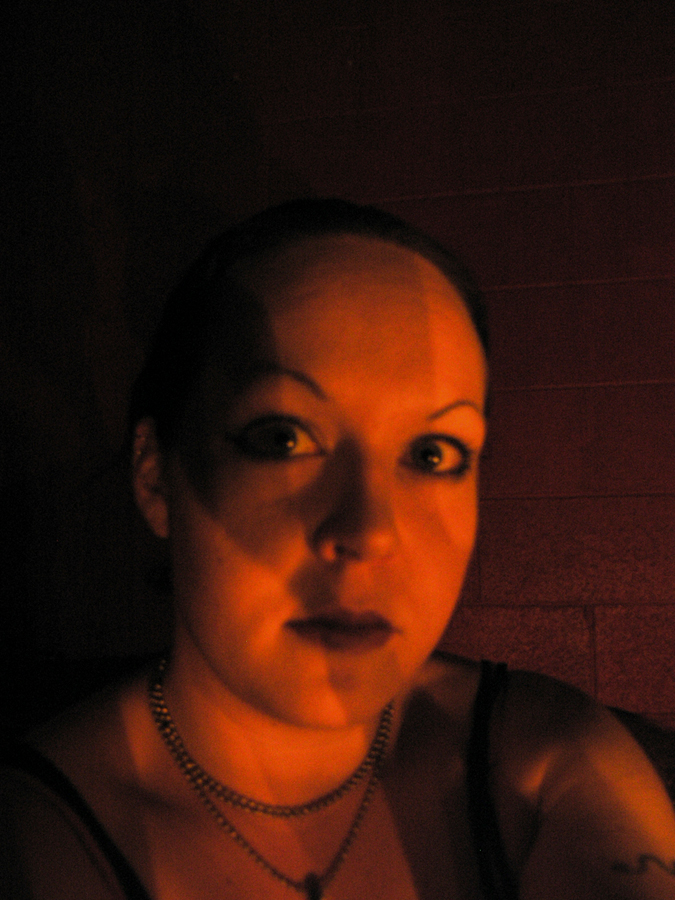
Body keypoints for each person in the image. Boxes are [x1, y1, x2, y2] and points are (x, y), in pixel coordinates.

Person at [2, 198, 675, 900]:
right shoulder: (37, 837)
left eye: (433, 453)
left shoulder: (540, 761)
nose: (369, 532)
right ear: (155, 477)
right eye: (282, 438)